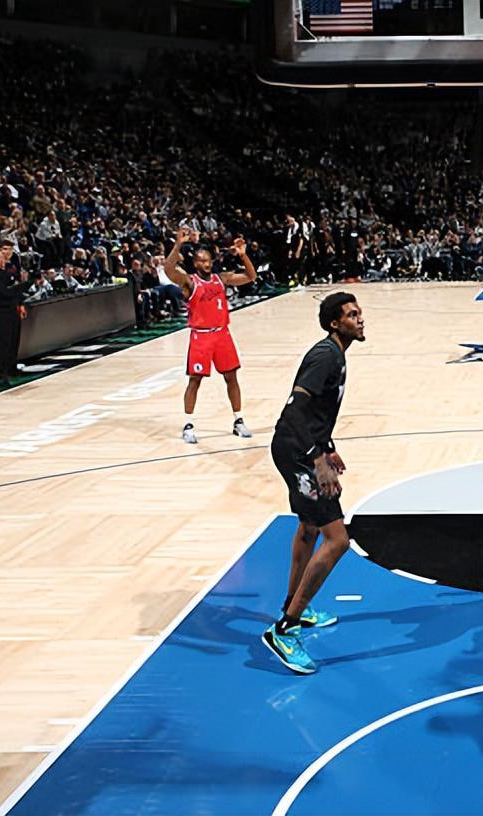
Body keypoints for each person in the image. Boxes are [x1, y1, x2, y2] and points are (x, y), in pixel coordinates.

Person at [262, 292, 365, 674]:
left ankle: (293, 605)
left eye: (360, 313)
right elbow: (295, 410)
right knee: (337, 540)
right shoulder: (326, 356)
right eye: (352, 315)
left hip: (301, 448)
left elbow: (317, 414)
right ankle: (285, 629)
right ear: (335, 323)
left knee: (308, 529)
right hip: (296, 452)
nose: (360, 319)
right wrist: (317, 458)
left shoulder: (336, 354)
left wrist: (328, 447)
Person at [163, 227, 256, 443]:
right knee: (195, 380)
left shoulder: (221, 278)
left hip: (222, 334)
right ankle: (188, 425)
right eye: (202, 261)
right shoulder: (189, 282)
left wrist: (243, 256)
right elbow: (168, 270)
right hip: (201, 336)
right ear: (195, 263)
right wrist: (178, 245)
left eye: (208, 260)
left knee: (231, 377)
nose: (207, 263)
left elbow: (250, 276)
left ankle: (238, 420)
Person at [0, 250, 30, 386]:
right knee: (4, 342)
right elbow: (5, 292)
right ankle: (2, 372)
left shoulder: (8, 273)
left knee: (14, 339)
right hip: (0, 312)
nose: (1, 261)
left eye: (2, 258)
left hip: (12, 310)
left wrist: (20, 302)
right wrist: (19, 288)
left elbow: (15, 291)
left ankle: (12, 368)